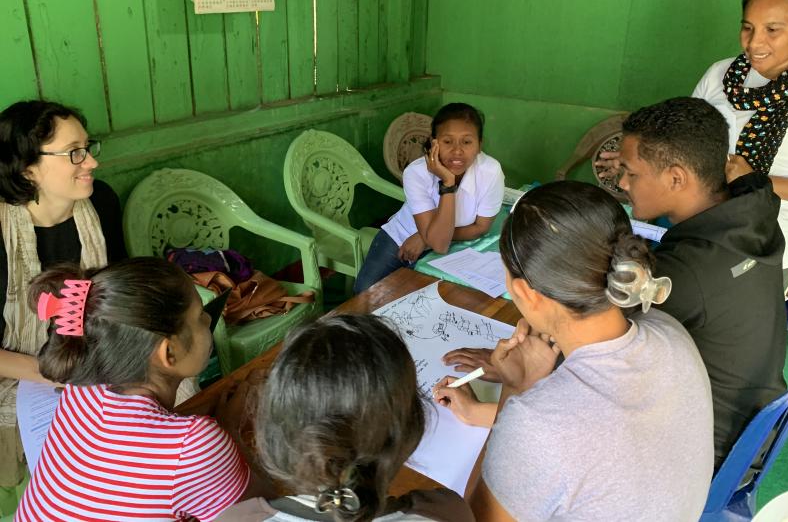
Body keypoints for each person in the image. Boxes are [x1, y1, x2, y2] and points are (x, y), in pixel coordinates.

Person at [435, 181, 713, 522]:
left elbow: (474, 519)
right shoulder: (671, 333)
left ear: (526, 293)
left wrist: (517, 389)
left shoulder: (536, 425)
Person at [618, 97, 787, 468]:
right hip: (756, 424)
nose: (622, 183)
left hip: (712, 455)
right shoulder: (751, 218)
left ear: (676, 177)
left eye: (632, 173)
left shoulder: (686, 271)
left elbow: (602, 340)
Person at [16, 258, 249, 522]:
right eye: (199, 317)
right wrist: (233, 433)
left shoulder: (83, 389)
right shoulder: (195, 448)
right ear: (168, 352)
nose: (209, 318)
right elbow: (257, 512)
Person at [216, 314, 473, 522]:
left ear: (273, 433)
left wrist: (230, 431)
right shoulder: (446, 512)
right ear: (412, 427)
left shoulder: (236, 518)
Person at [0, 100, 126, 488]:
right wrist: (59, 374)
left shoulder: (100, 202)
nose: (91, 162)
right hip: (23, 369)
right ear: (27, 168)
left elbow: (116, 288)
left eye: (88, 148)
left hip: (90, 355)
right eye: (74, 153)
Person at [693, 0, 788, 282]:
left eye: (772, 29)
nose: (754, 43)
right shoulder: (721, 74)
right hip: (701, 227)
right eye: (747, 28)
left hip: (766, 248)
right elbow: (687, 136)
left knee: (730, 327)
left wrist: (757, 181)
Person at [354, 103, 505, 294]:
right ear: (434, 143)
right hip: (402, 237)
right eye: (447, 142)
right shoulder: (416, 173)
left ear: (479, 145)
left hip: (451, 244)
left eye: (467, 142)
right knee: (365, 293)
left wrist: (424, 240)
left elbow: (478, 228)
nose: (457, 151)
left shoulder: (490, 172)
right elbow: (439, 240)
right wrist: (448, 183)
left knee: (436, 299)